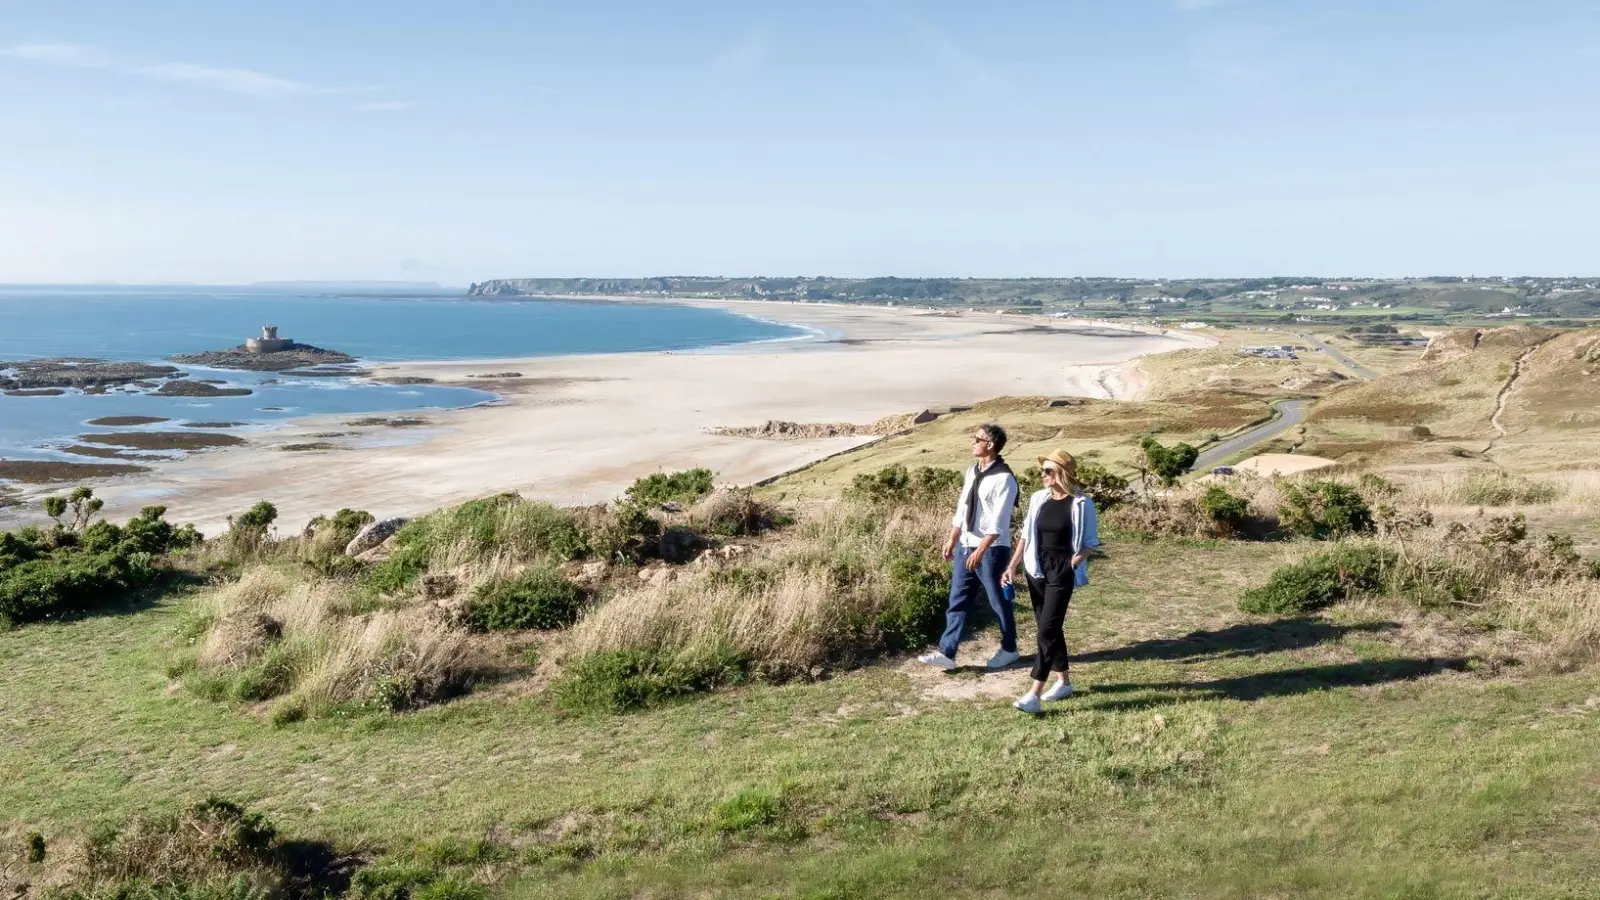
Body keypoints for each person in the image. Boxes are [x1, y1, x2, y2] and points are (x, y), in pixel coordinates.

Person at [1002, 448, 1100, 714]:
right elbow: (1026, 535)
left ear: (1061, 473)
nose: (1042, 475)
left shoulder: (1081, 503)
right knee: (1049, 627)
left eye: (1047, 471)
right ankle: (1064, 683)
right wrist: (1012, 565)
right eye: (1042, 470)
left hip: (1061, 570)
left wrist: (1073, 564)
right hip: (1036, 567)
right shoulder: (1038, 498)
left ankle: (1034, 693)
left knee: (1046, 630)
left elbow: (1090, 542)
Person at [918, 423, 1021, 670]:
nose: (973, 442)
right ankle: (947, 653)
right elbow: (963, 508)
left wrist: (981, 550)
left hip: (992, 550)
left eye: (977, 439)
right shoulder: (972, 471)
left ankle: (1009, 649)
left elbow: (999, 522)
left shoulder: (1004, 479)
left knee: (998, 601)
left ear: (991, 445)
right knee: (958, 599)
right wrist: (952, 538)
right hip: (966, 545)